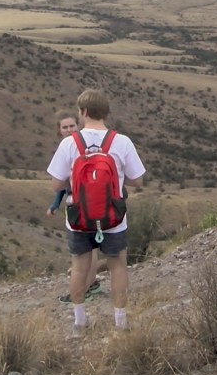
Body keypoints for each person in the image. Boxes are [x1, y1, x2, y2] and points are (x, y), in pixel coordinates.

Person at [47, 89, 145, 336]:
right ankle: (120, 323)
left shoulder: (69, 143)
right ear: (105, 112)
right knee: (118, 267)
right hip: (113, 218)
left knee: (79, 267)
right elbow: (137, 180)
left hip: (79, 218)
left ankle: (80, 323)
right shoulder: (121, 142)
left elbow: (56, 184)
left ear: (83, 112)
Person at [45, 110, 101, 303]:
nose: (69, 130)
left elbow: (60, 183)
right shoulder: (86, 142)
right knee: (91, 246)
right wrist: (54, 204)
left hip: (80, 203)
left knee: (82, 248)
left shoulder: (69, 146)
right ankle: (91, 284)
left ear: (78, 124)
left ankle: (83, 289)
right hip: (93, 200)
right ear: (59, 130)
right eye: (65, 127)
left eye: (71, 126)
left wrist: (55, 204)